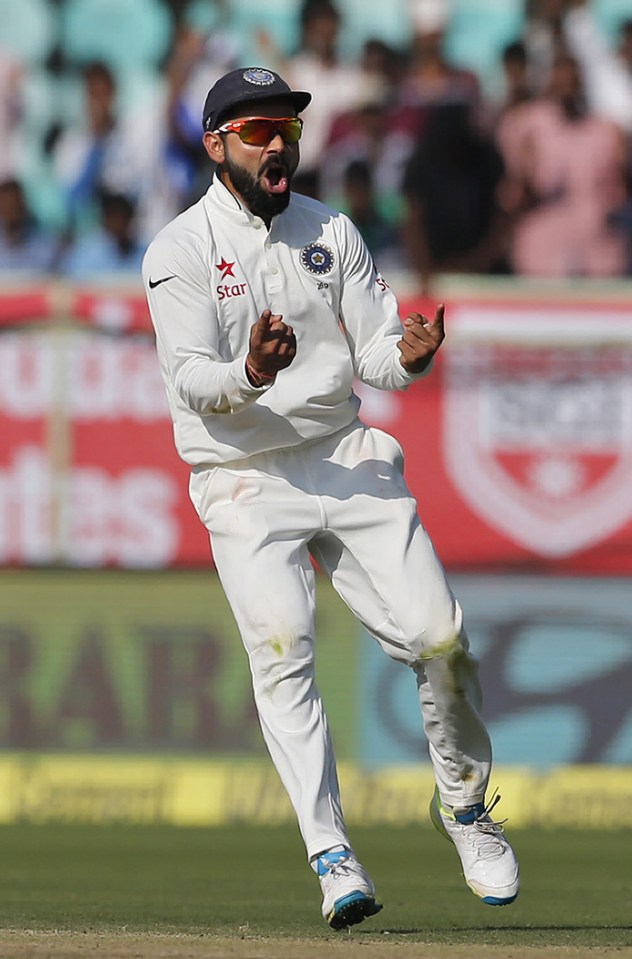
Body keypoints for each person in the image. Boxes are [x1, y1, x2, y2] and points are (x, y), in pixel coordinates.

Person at [142, 65, 520, 930]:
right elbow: (193, 380)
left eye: (287, 129)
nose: (278, 145)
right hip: (243, 478)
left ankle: (464, 807)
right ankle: (331, 853)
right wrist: (252, 372)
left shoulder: (332, 231)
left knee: (445, 640)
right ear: (217, 146)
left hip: (344, 457)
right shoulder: (179, 250)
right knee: (283, 654)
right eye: (257, 132)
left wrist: (411, 354)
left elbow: (378, 355)